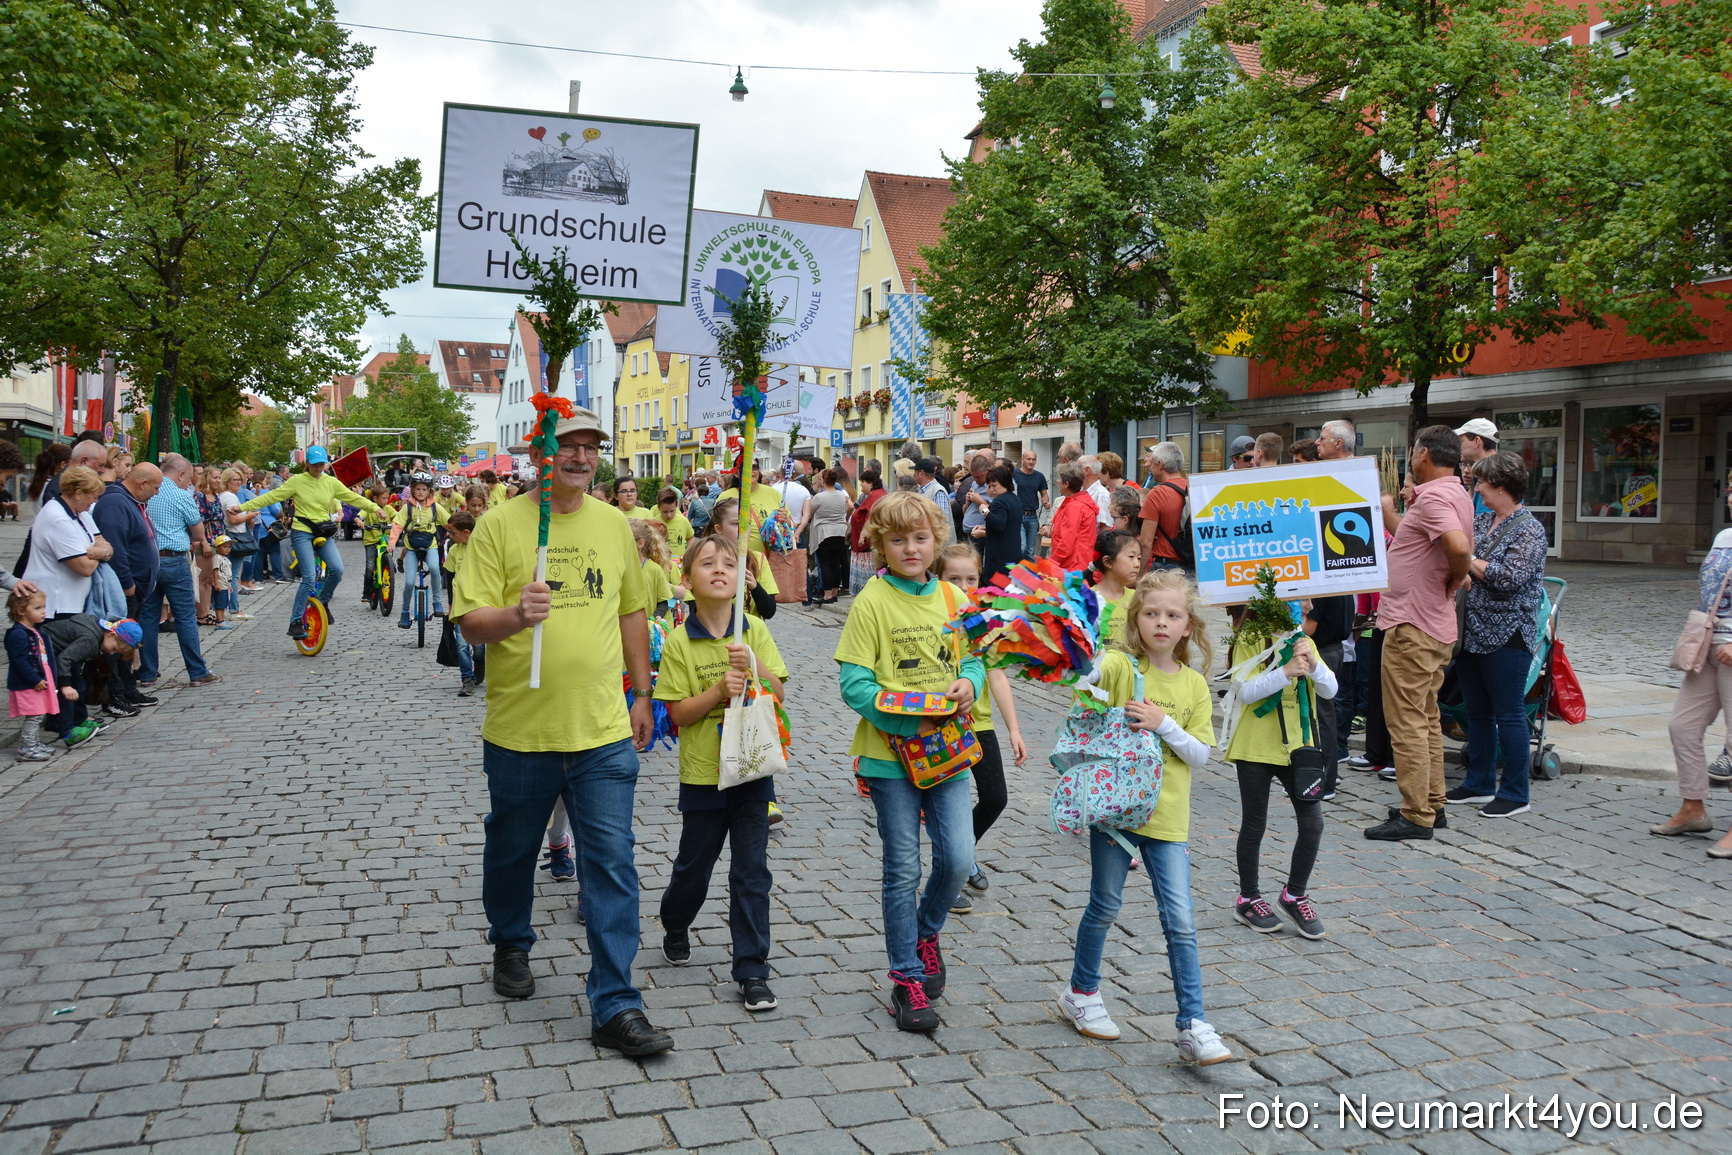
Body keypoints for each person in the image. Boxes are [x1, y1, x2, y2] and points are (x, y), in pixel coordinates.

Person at [451, 405, 674, 1057]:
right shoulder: (498, 525)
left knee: (612, 860)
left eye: (589, 447)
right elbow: (469, 620)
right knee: (513, 850)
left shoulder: (614, 526)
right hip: (521, 731)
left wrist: (642, 693)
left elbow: (633, 610)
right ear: (539, 453)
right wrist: (518, 615)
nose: (579, 457)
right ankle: (511, 940)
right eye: (566, 445)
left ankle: (615, 1002)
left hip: (602, 729)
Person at [1056, 570, 1230, 1065]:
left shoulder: (1194, 683)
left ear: (1187, 625)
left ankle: (1193, 1023)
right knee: (1105, 905)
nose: (1161, 622)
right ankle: (1082, 993)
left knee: (1180, 921)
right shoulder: (1120, 666)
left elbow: (1200, 755)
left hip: (1169, 820)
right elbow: (1085, 682)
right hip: (1117, 816)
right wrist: (1080, 653)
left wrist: (1163, 723)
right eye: (1152, 613)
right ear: (1136, 620)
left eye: (1172, 615)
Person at [834, 491, 985, 1032]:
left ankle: (926, 931)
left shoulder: (953, 598)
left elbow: (978, 659)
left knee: (959, 858)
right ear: (880, 545)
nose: (911, 548)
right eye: (897, 539)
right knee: (901, 867)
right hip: (888, 757)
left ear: (936, 539)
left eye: (920, 537)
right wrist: (907, 720)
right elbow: (855, 684)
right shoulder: (872, 601)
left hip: (946, 753)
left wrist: (969, 683)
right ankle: (906, 979)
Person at [654, 532, 789, 1012]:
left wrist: (753, 665)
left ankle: (752, 970)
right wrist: (716, 692)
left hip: (752, 772)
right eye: (707, 564)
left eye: (728, 564)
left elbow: (780, 691)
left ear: (741, 579)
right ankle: (675, 918)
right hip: (703, 774)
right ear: (686, 579)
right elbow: (677, 716)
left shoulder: (753, 630)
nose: (719, 570)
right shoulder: (677, 641)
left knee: (752, 873)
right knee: (695, 867)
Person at [1365, 426, 1474, 841]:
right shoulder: (1454, 493)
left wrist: (1457, 577)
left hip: (1413, 623)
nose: (1411, 459)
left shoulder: (1433, 497)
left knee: (1407, 720)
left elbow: (1459, 548)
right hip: (1430, 623)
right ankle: (1432, 803)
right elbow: (1424, 540)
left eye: (1413, 453)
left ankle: (1415, 815)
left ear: (1423, 454)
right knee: (1426, 716)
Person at [1225, 602, 1338, 940]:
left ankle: (1294, 894)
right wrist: (1285, 671)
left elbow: (1330, 689)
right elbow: (1243, 690)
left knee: (1313, 823)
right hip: (1256, 746)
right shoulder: (1252, 635)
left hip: (1299, 748)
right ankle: (1248, 897)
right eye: (1300, 596)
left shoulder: (1304, 638)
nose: (1310, 605)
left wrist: (1314, 665)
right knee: (1254, 822)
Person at [1452, 451, 1549, 819]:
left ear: (1503, 487)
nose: (1478, 489)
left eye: (1483, 484)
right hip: (1472, 629)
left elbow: (1508, 578)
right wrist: (1468, 561)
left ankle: (1515, 791)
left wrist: (1468, 560)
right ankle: (1478, 782)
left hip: (1508, 633)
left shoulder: (1530, 529)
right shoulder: (1482, 520)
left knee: (1508, 713)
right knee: (1477, 712)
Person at [935, 544, 1027, 912]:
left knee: (995, 797)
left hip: (980, 723)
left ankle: (965, 852)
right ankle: (949, 878)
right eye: (954, 578)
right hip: (940, 725)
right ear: (939, 579)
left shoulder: (984, 623)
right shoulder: (931, 616)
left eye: (971, 579)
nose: (964, 585)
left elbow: (998, 676)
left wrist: (1015, 730)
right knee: (946, 809)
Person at [239, 445, 386, 640]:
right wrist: (241, 507)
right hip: (302, 531)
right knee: (309, 577)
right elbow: (271, 497)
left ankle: (323, 602)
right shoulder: (297, 481)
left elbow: (352, 498)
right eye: (314, 464)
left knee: (337, 569)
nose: (318, 468)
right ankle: (295, 621)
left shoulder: (331, 482)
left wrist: (375, 508)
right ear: (307, 464)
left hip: (323, 530)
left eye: (321, 464)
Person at [1658, 468, 1732, 853]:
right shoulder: (1724, 537)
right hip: (1710, 645)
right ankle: (1692, 808)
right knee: (1683, 726)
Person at [140, 454, 216, 688]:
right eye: (188, 479)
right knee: (185, 617)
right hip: (174, 560)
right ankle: (197, 671)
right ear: (181, 474)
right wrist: (195, 537)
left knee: (149, 618)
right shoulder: (181, 495)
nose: (188, 484)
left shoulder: (145, 493)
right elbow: (197, 530)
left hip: (149, 561)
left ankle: (147, 673)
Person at [91, 461, 161, 713]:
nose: (157, 493)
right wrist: (127, 583)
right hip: (123, 589)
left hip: (137, 587)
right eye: (155, 487)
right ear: (142, 483)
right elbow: (115, 547)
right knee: (117, 643)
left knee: (127, 642)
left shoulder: (130, 501)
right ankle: (114, 694)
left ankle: (128, 688)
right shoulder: (115, 503)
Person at [25, 464, 112, 625]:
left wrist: (98, 552)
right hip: (55, 605)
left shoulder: (80, 513)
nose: (95, 502)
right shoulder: (58, 518)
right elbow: (83, 567)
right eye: (93, 496)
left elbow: (106, 545)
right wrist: (101, 552)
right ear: (78, 494)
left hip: (73, 603)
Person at [40, 613, 141, 748]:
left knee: (79, 686)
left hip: (60, 651)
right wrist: (65, 685)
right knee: (66, 694)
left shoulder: (100, 628)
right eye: (114, 649)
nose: (111, 653)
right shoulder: (90, 640)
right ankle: (67, 732)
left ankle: (78, 719)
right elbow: (64, 660)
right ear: (111, 636)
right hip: (46, 651)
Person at [387, 471, 450, 628]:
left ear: (429, 490)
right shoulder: (408, 507)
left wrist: (460, 535)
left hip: (430, 545)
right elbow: (397, 525)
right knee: (409, 582)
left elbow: (449, 522)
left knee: (436, 569)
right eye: (418, 489)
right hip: (412, 547)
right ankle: (404, 613)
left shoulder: (435, 507)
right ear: (413, 490)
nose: (421, 492)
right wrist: (392, 542)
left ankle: (437, 603)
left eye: (424, 489)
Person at [7, 590, 61, 760]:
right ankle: (26, 748)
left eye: (43, 607)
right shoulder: (18, 633)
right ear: (21, 611)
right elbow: (19, 661)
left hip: (40, 679)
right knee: (34, 715)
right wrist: (34, 679)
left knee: (39, 713)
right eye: (37, 608)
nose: (43, 611)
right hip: (29, 682)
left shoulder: (35, 631)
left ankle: (34, 743)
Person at [442, 511, 483, 696]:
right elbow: (450, 577)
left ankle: (480, 666)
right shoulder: (453, 550)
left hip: (479, 603)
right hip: (460, 604)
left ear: (466, 532)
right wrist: (451, 604)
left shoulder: (482, 549)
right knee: (461, 644)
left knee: (480, 646)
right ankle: (467, 679)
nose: (450, 536)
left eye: (453, 533)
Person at [1137, 442, 1191, 574]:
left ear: (1160, 464)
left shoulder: (1157, 494)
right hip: (1193, 565)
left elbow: (1145, 542)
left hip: (1166, 566)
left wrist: (1141, 574)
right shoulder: (1192, 487)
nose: (1150, 469)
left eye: (1153, 464)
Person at [805, 469, 852, 605]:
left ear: (823, 480)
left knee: (825, 564)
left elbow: (810, 513)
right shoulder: (841, 495)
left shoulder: (820, 497)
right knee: (835, 564)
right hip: (840, 531)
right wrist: (846, 519)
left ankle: (827, 595)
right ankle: (835, 592)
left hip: (824, 533)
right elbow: (850, 508)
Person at [969, 463, 1023, 581]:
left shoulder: (1000, 501)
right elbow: (1007, 526)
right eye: (990, 486)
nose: (992, 489)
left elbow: (999, 525)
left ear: (1005, 484)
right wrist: (984, 529)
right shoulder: (1015, 499)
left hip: (999, 556)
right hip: (1013, 553)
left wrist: (984, 510)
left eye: (994, 485)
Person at [1090, 530, 1141, 643]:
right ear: (1108, 562)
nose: (1137, 564)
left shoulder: (1136, 599)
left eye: (1139, 558)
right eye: (1131, 556)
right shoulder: (1090, 599)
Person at [1049, 463, 1099, 572]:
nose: (1057, 481)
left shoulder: (1074, 506)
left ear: (1066, 484)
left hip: (1072, 566)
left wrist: (1051, 562)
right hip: (1077, 562)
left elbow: (1066, 543)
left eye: (1059, 478)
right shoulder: (1076, 503)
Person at [1455, 418, 1499, 515]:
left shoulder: (1493, 474)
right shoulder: (1486, 471)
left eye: (1462, 441)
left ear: (1477, 441)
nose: (1459, 447)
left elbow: (1482, 525)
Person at [1012, 452, 1049, 560]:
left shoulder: (1039, 476)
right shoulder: (1014, 474)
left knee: (1031, 550)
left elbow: (1044, 493)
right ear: (1022, 459)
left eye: (1033, 459)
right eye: (1028, 459)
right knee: (1022, 547)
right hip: (1018, 515)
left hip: (1032, 516)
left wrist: (1045, 501)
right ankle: (1017, 571)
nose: (1031, 462)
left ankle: (1028, 574)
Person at [654, 486, 694, 559]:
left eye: (672, 511)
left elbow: (690, 538)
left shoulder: (683, 521)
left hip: (679, 566)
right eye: (665, 512)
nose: (669, 515)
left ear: (676, 506)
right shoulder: (654, 523)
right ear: (659, 508)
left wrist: (689, 552)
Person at [1078, 456, 1113, 528]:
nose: (1073, 471)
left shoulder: (1102, 494)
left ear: (1087, 470)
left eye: (1077, 468)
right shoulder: (1079, 491)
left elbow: (1104, 528)